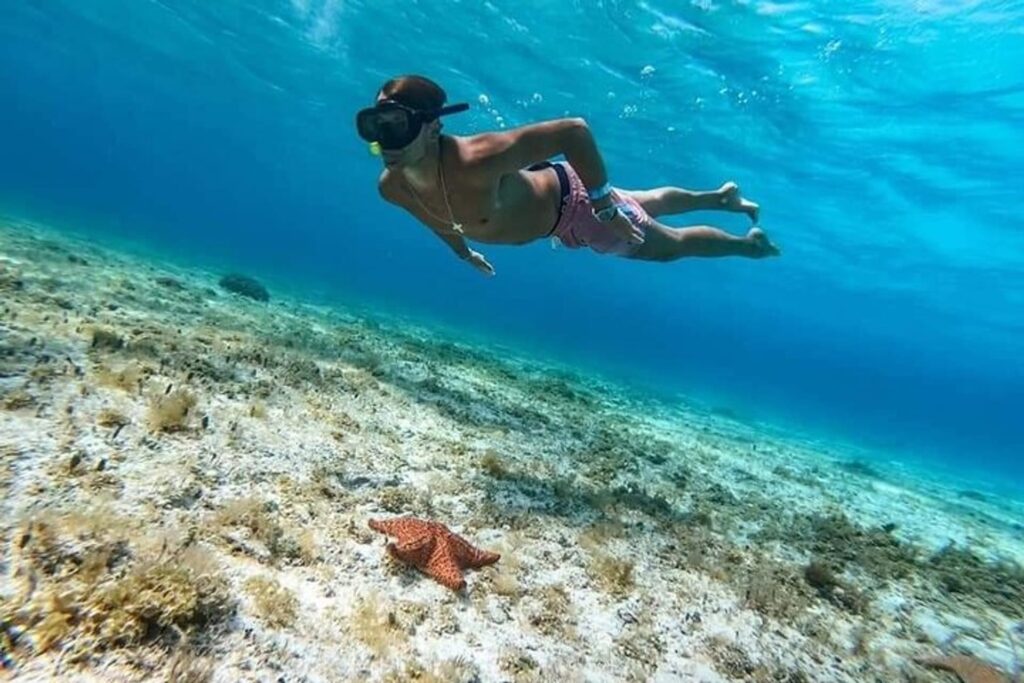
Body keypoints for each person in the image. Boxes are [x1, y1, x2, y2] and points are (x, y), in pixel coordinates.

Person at [356, 74, 779, 277]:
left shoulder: (476, 158)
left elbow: (573, 131)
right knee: (649, 201)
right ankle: (720, 198)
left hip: (578, 211)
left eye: (396, 125)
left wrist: (602, 204)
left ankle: (749, 245)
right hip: (559, 199)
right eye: (375, 127)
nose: (385, 141)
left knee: (669, 247)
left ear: (433, 126)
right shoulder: (392, 187)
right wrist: (464, 254)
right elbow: (438, 219)